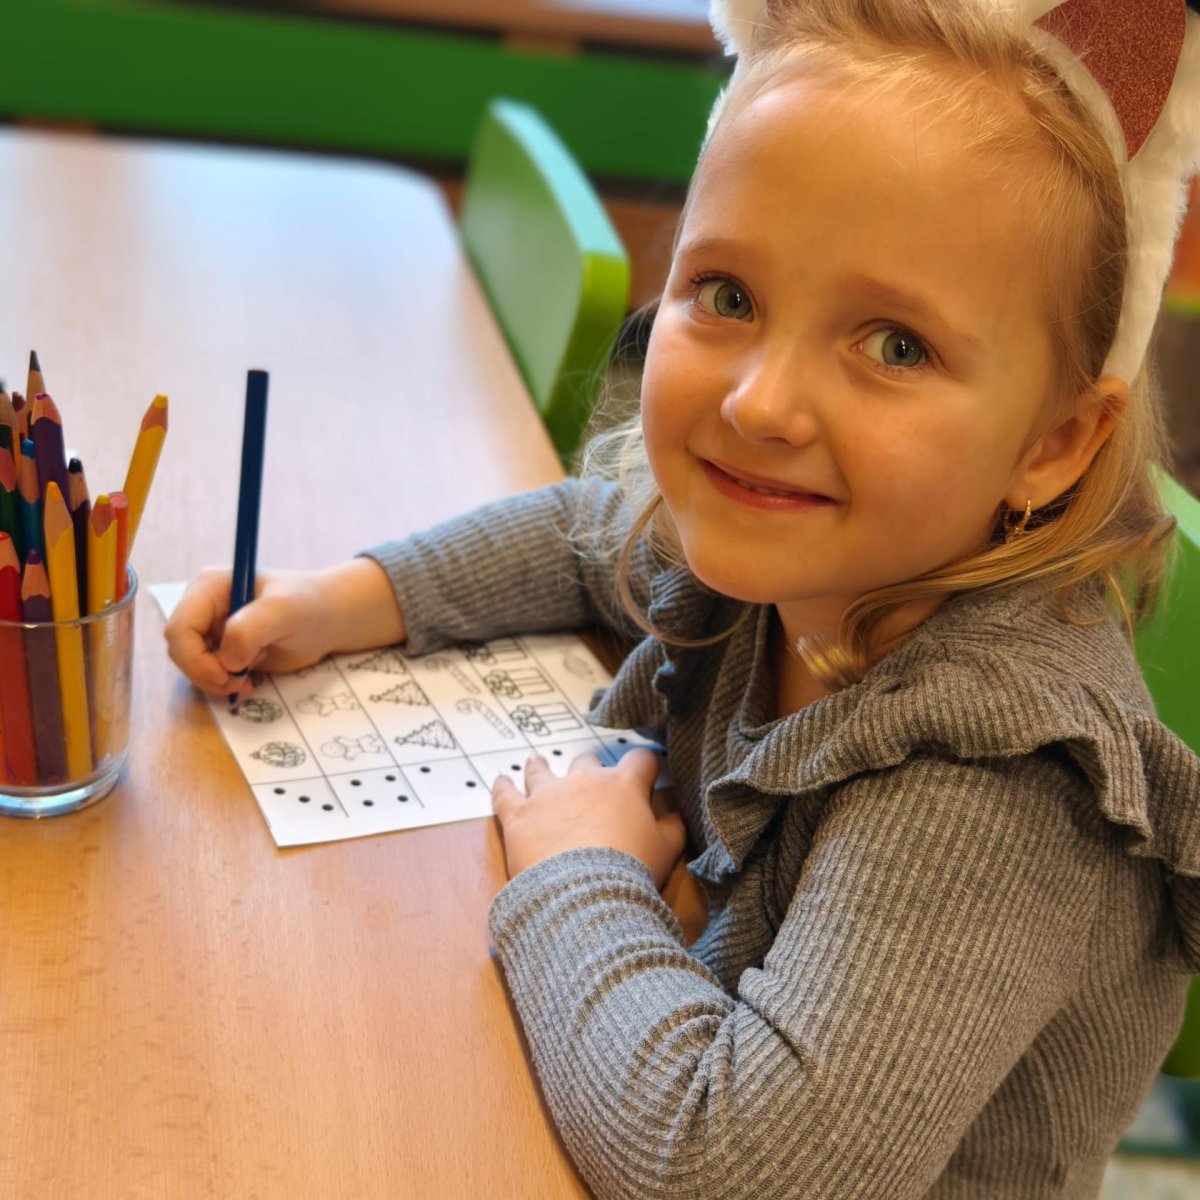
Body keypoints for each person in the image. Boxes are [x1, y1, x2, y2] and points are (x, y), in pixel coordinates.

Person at [165, 0, 1200, 1194]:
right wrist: (347, 597)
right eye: (728, 296)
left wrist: (576, 869)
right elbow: (590, 530)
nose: (760, 404)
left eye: (895, 346)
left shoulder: (994, 783)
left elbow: (725, 1172)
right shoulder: (817, 542)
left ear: (1055, 443)